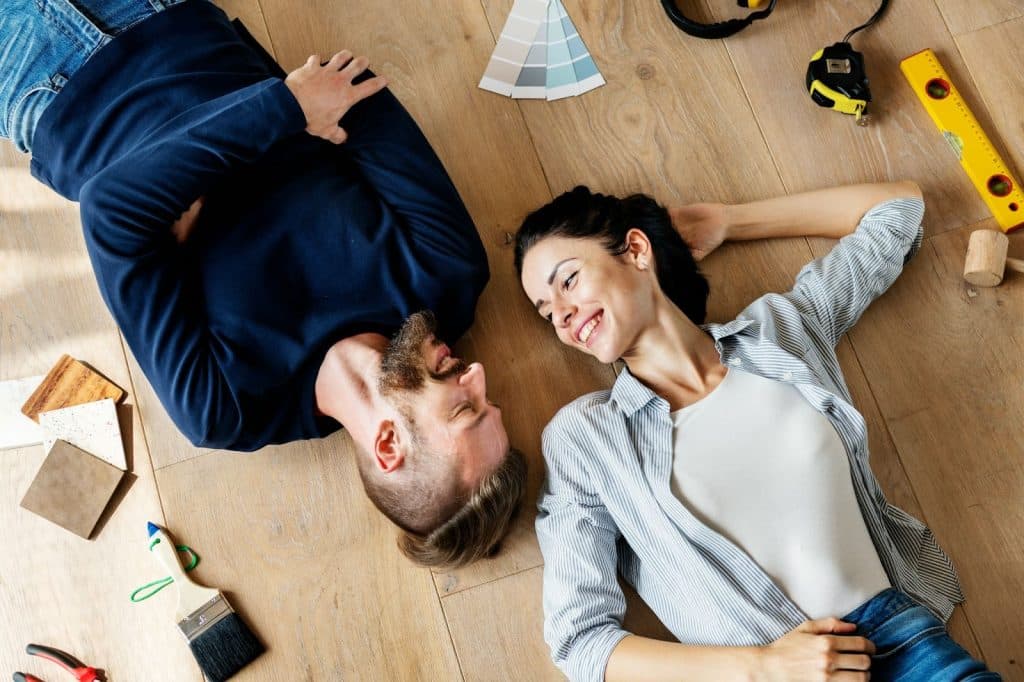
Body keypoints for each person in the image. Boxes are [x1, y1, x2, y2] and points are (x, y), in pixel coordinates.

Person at [0, 0, 525, 567]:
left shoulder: (225, 408)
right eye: (487, 399)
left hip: (42, 82)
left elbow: (110, 211)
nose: (476, 374)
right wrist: (181, 192)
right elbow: (354, 91)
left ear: (389, 445)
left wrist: (287, 115)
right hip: (169, 16)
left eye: (466, 409)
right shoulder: (447, 275)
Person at [514, 183, 1001, 681]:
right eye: (547, 310)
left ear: (636, 250)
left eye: (568, 281)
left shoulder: (780, 330)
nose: (563, 315)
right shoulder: (587, 438)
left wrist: (731, 220)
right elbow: (582, 644)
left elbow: (897, 211)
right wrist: (763, 668)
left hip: (911, 651)